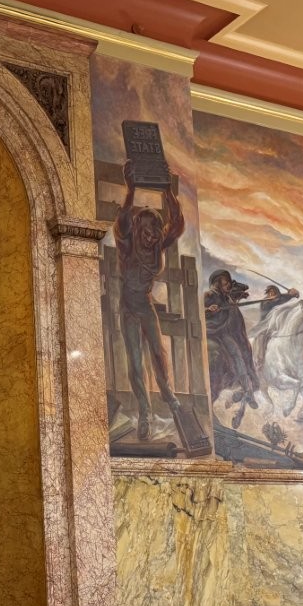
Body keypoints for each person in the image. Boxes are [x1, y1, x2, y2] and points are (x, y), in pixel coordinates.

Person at [114, 160, 184, 440]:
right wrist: (130, 189)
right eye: (146, 232)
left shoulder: (157, 244)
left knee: (158, 353)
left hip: (145, 304)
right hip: (129, 307)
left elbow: (176, 225)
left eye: (154, 233)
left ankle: (169, 396)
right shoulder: (126, 242)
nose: (150, 237)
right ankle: (145, 411)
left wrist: (168, 192)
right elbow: (121, 222)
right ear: (137, 229)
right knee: (135, 361)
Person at [204, 268, 259, 421]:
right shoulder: (208, 295)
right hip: (210, 331)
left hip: (222, 332)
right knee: (232, 352)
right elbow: (196, 309)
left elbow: (242, 288)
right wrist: (207, 309)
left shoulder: (226, 297)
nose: (228, 284)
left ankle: (248, 390)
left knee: (237, 354)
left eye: (229, 282)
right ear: (217, 282)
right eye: (225, 281)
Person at [252, 285, 301, 372]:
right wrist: (275, 299)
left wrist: (293, 293)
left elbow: (291, 296)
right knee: (261, 338)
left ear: (277, 293)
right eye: (270, 293)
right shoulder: (265, 302)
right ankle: (260, 361)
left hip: (278, 324)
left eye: (274, 292)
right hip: (265, 325)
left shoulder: (280, 298)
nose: (271, 294)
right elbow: (271, 306)